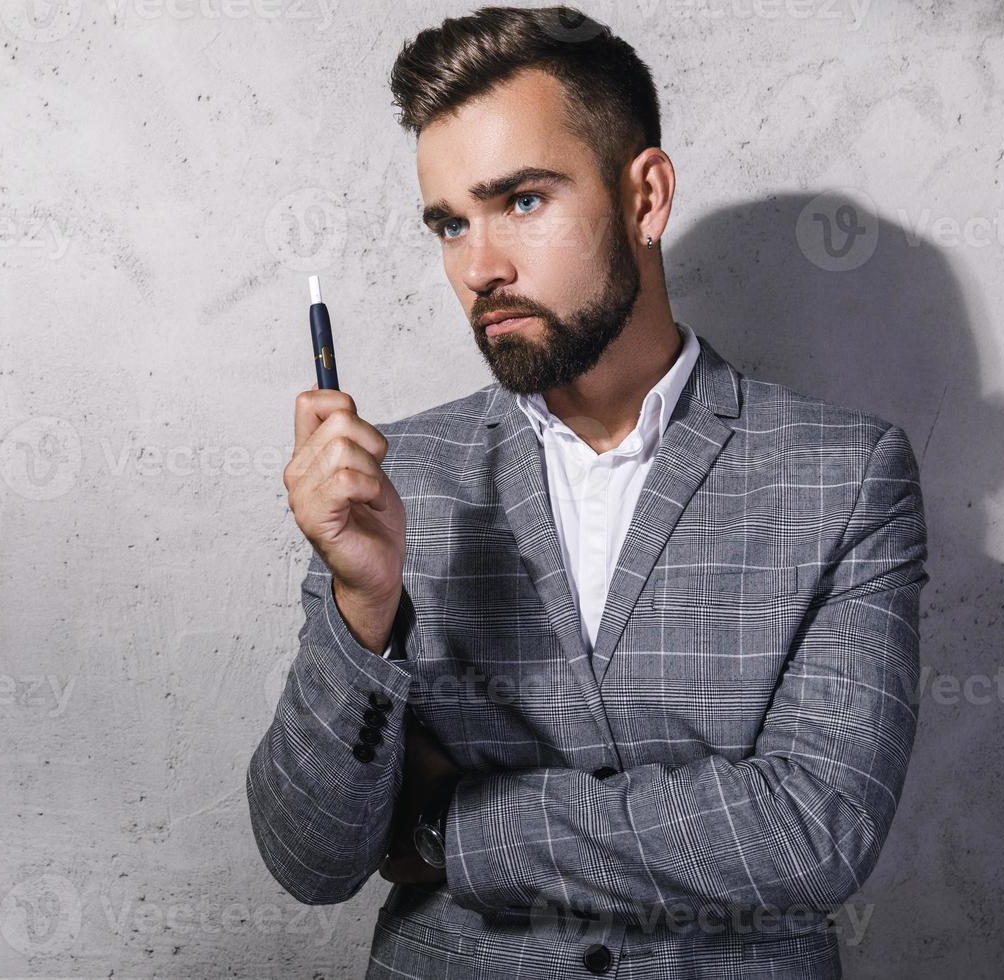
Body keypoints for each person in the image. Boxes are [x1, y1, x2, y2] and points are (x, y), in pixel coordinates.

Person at [246, 7, 928, 978]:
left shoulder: (841, 473)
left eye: (522, 200)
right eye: (450, 223)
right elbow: (311, 859)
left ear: (645, 196)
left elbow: (814, 831)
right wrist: (362, 609)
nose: (478, 267)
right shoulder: (394, 479)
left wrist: (449, 826)